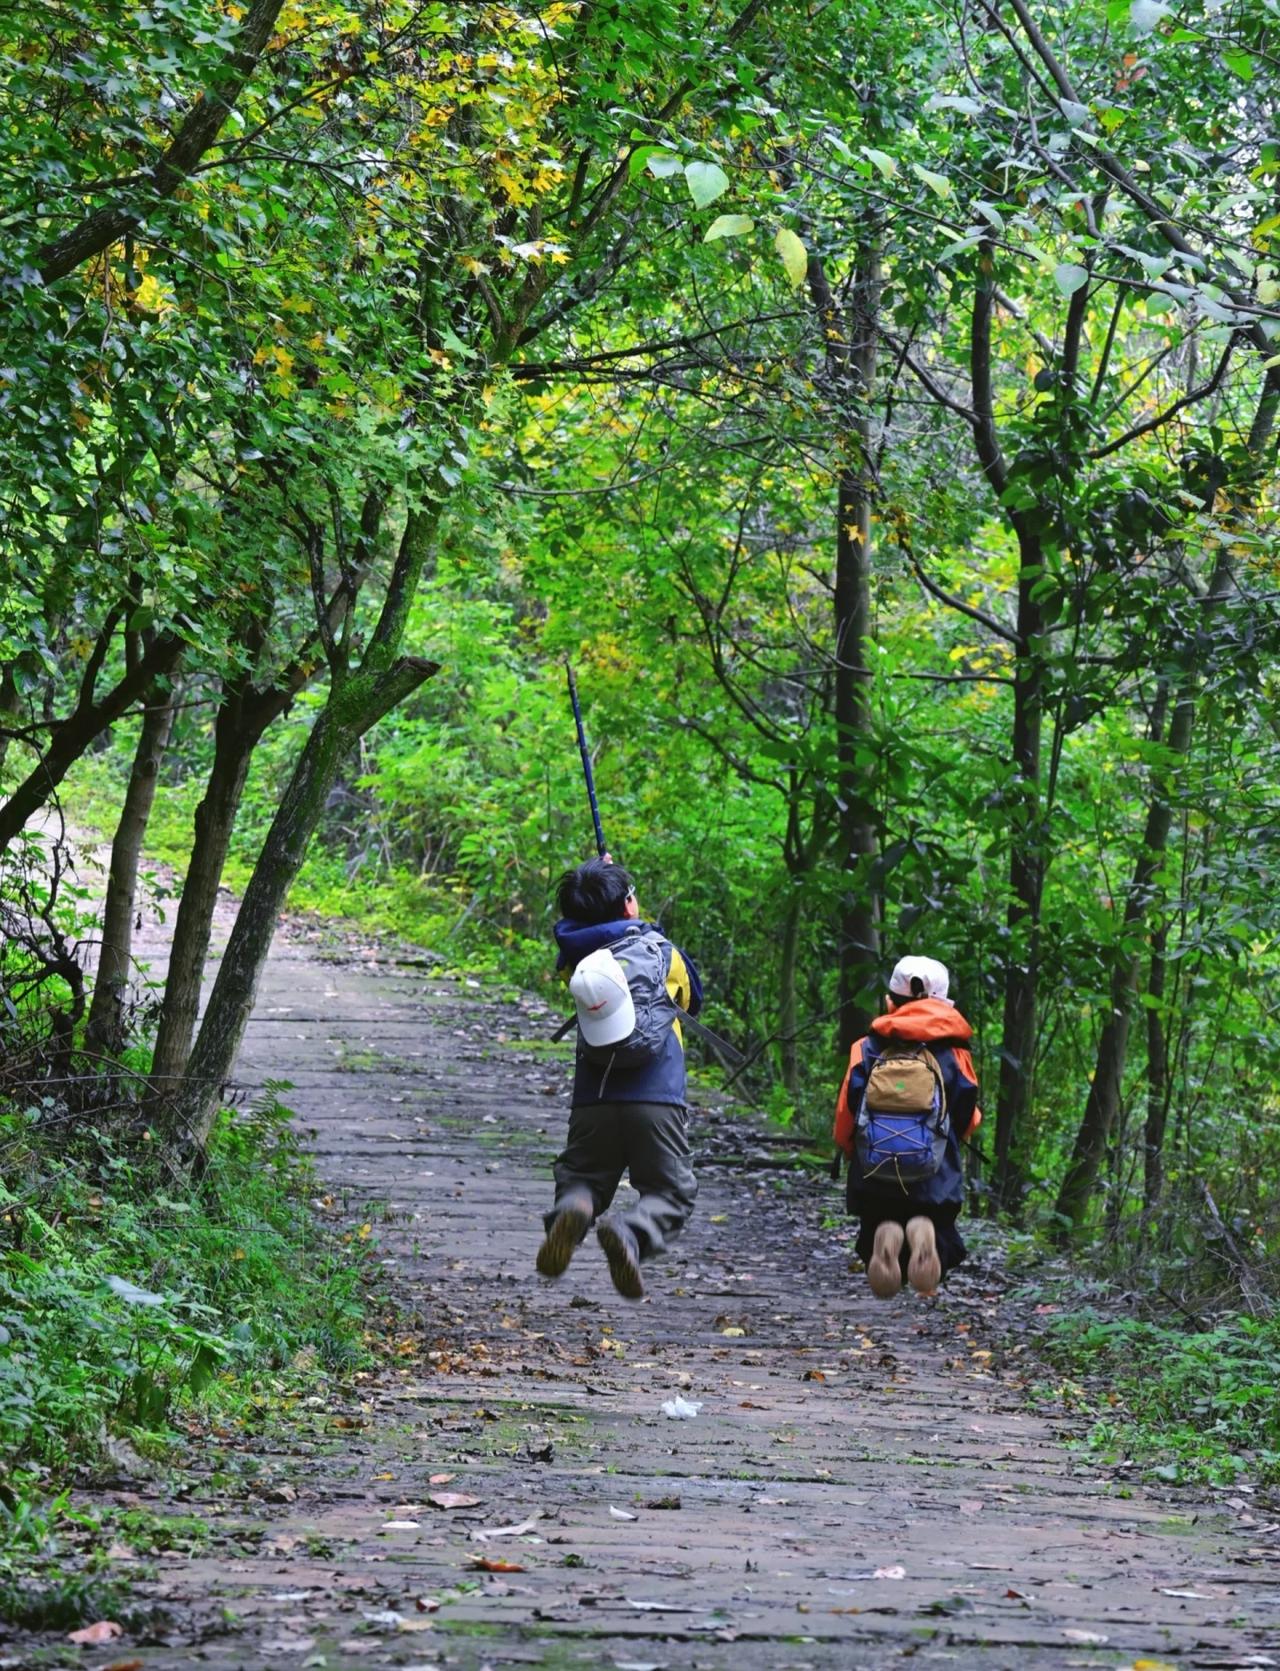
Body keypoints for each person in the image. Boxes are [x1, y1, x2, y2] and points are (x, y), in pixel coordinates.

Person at [537, 857, 702, 1300]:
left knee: (584, 1175)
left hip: (595, 1095)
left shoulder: (577, 963)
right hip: (658, 1096)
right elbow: (693, 998)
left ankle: (574, 1209)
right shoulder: (662, 953)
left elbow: (580, 934)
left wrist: (599, 888)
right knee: (671, 1190)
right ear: (629, 905)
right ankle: (632, 1232)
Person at [832, 955, 980, 1299]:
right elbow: (966, 1117)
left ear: (889, 1002)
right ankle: (924, 1230)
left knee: (878, 1218)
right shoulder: (955, 1054)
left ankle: (884, 1236)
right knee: (936, 1220)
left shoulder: (866, 1047)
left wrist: (850, 1149)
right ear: (942, 1004)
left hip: (875, 1169)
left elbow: (846, 1114)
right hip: (934, 1172)